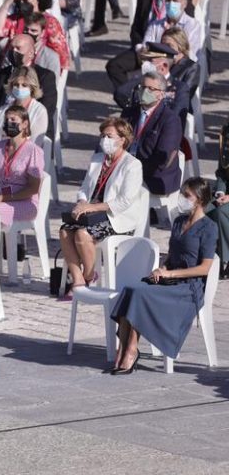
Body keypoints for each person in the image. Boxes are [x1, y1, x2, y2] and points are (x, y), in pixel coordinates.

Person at [109, 177, 218, 374]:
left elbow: (204, 268)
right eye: (182, 194)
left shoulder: (209, 228)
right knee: (131, 290)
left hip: (188, 287)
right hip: (169, 279)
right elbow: (173, 254)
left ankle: (131, 350)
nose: (182, 198)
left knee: (140, 294)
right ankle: (123, 349)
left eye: (187, 195)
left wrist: (170, 273)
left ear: (200, 199)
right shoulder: (179, 221)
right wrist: (161, 269)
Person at [59, 117, 143, 297]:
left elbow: (124, 201)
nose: (105, 140)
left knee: (82, 234)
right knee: (65, 231)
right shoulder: (97, 159)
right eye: (103, 135)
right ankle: (78, 280)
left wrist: (93, 208)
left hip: (116, 218)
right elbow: (84, 187)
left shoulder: (132, 165)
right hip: (92, 213)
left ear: (122, 139)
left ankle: (89, 275)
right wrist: (82, 202)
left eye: (110, 136)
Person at [106, 0, 200, 89]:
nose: (171, 4)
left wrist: (167, 59)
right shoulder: (156, 24)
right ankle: (129, 94)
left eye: (175, 1)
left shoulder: (192, 25)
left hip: (176, 65)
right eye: (168, 0)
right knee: (115, 66)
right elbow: (146, 46)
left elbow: (189, 53)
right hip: (153, 61)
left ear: (184, 3)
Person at [0, 33, 56, 153]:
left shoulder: (45, 76)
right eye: (12, 48)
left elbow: (48, 108)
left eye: (18, 48)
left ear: (31, 53)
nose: (14, 51)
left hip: (30, 133)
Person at [121, 72, 182, 198]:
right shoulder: (129, 113)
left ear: (161, 94)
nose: (145, 91)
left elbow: (162, 159)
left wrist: (134, 172)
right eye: (143, 87)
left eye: (150, 89)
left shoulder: (170, 119)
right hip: (126, 169)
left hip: (153, 176)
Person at [0, 104, 44, 230]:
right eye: (6, 120)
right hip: (0, 197)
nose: (8, 123)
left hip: (25, 202)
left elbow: (34, 188)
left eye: (13, 119)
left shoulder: (33, 150)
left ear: (24, 124)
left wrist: (2, 198)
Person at [0, 0, 70, 71]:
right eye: (19, 0)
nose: (22, 2)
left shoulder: (50, 21)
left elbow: (60, 51)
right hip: (13, 64)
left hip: (40, 66)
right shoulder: (15, 19)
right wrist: (8, 1)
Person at [0, 66, 48, 147]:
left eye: (24, 85)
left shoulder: (40, 111)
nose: (20, 88)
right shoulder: (3, 110)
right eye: (16, 85)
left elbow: (35, 144)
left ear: (32, 87)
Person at [207, 124, 229, 279]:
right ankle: (208, 257)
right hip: (225, 193)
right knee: (203, 209)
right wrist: (220, 192)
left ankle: (225, 260)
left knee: (221, 213)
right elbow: (222, 172)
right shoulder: (226, 132)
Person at [24, 12, 60, 77]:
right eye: (26, 29)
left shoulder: (51, 58)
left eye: (33, 30)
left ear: (42, 33)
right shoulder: (15, 50)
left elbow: (52, 81)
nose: (29, 33)